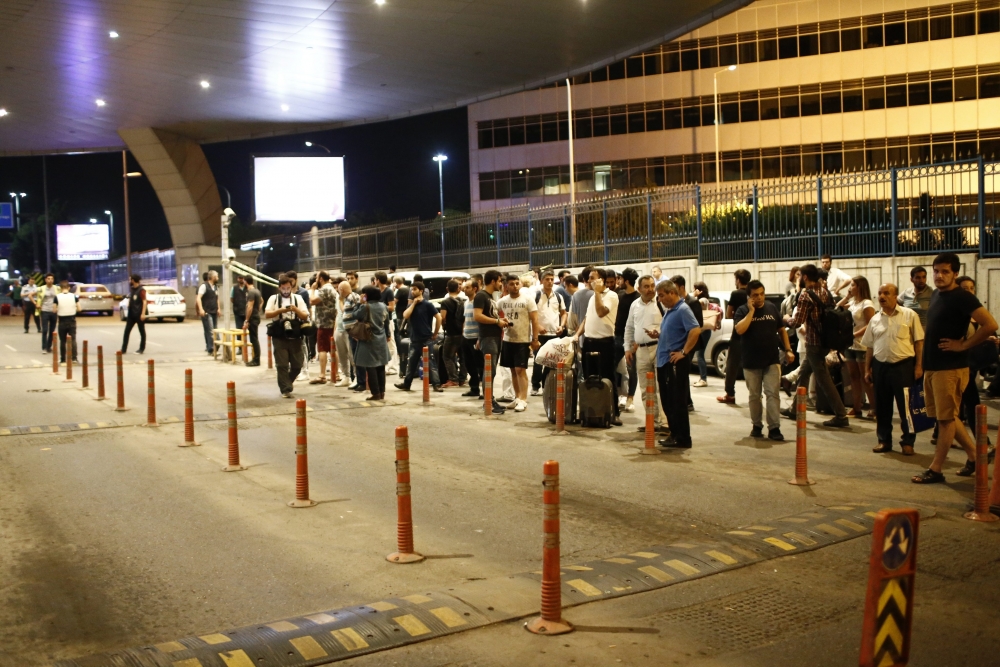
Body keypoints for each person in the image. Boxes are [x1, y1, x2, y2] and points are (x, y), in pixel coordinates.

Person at [912, 254, 997, 483]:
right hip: (934, 366)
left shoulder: (962, 297)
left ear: (955, 274)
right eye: (936, 271)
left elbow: (990, 325)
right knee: (947, 416)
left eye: (945, 272)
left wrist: (963, 345)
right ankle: (976, 455)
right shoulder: (939, 294)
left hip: (950, 367)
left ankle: (936, 469)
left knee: (946, 420)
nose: (939, 276)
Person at [862, 283, 923, 455]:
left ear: (895, 296)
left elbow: (919, 342)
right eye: (880, 293)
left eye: (886, 293)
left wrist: (919, 366)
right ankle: (884, 440)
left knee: (906, 408)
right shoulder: (874, 319)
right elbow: (869, 347)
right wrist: (867, 369)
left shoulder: (910, 315)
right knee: (882, 407)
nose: (882, 296)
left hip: (903, 366)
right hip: (880, 367)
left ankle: (908, 442)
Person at [787, 263, 851, 427]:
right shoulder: (825, 291)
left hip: (814, 342)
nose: (798, 278)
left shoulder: (805, 295)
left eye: (800, 276)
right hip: (825, 341)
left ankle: (841, 415)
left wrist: (787, 320)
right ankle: (795, 408)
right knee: (803, 373)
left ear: (805, 277)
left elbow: (798, 321)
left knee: (823, 379)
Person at [735, 280, 794, 441]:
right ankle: (756, 425)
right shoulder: (742, 310)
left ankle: (774, 428)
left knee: (772, 394)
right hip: (751, 362)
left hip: (771, 360)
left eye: (762, 294)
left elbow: (781, 330)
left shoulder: (771, 307)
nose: (759, 298)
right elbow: (740, 329)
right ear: (749, 297)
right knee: (754, 396)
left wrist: (788, 350)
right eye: (755, 295)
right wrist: (751, 312)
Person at [650, 279, 701, 448]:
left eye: (662, 295)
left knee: (676, 401)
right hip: (664, 361)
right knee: (668, 401)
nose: (660, 299)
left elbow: (695, 330)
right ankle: (675, 434)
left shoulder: (683, 309)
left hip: (673, 363)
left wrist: (684, 352)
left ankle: (682, 437)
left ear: (672, 293)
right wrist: (659, 335)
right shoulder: (671, 311)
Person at [574, 268, 622, 426]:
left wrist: (597, 293)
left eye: (593, 278)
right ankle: (591, 410)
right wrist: (577, 335)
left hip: (605, 342)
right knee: (589, 377)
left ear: (601, 280)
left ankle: (613, 412)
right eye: (588, 278)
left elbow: (601, 312)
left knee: (608, 377)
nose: (589, 281)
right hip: (589, 341)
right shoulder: (591, 297)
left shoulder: (611, 296)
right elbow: (587, 318)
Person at [624, 275, 668, 434]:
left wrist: (660, 333)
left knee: (660, 387)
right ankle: (652, 421)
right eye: (647, 286)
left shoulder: (661, 303)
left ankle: (665, 423)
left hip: (659, 349)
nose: (651, 289)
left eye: (652, 286)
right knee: (645, 388)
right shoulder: (634, 305)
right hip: (641, 351)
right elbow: (629, 328)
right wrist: (627, 348)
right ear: (639, 289)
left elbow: (669, 325)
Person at [498, 274, 541, 412]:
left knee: (520, 370)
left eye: (517, 283)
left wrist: (535, 339)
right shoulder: (503, 301)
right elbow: (493, 313)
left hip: (522, 340)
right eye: (512, 284)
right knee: (512, 370)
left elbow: (535, 320)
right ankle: (517, 398)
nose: (515, 286)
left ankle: (523, 399)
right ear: (507, 286)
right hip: (508, 339)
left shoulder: (528, 300)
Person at [837, 277, 876, 420]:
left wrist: (854, 335)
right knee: (853, 376)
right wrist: (847, 296)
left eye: (852, 285)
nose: (850, 287)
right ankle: (857, 406)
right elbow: (838, 308)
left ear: (860, 287)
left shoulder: (867, 303)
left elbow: (870, 323)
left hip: (863, 345)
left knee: (866, 377)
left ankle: (873, 407)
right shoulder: (853, 303)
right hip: (851, 345)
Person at [264, 275, 309, 398]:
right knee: (282, 364)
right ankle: (285, 389)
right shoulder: (273, 299)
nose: (286, 291)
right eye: (283, 288)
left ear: (291, 287)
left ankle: (286, 382)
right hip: (279, 336)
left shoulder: (298, 298)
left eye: (288, 288)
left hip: (295, 335)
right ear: (279, 288)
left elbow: (305, 316)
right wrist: (280, 311)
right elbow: (267, 313)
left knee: (297, 365)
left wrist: (295, 310)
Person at [396, 280, 443, 392]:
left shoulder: (428, 304)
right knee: (411, 363)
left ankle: (436, 384)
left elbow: (439, 318)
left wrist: (435, 333)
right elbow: (405, 315)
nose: (412, 291)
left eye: (415, 289)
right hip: (414, 339)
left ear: (421, 291)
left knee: (431, 363)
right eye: (412, 289)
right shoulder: (411, 305)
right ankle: (407, 384)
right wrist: (413, 304)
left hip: (426, 339)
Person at [473, 270, 509, 414]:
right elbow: (477, 316)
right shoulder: (481, 296)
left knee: (491, 371)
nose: (501, 284)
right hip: (488, 338)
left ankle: (490, 399)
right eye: (499, 281)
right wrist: (497, 321)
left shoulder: (489, 297)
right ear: (493, 281)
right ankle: (487, 402)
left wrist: (501, 321)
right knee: (489, 371)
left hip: (493, 337)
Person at [531, 270, 568, 396]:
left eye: (552, 279)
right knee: (538, 361)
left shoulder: (558, 296)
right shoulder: (535, 296)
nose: (550, 282)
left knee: (551, 362)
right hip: (540, 335)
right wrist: (538, 326)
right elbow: (531, 316)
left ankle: (546, 384)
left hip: (554, 335)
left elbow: (564, 313)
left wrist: (562, 326)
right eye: (547, 279)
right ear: (541, 281)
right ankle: (535, 386)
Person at [718, 269, 750, 404]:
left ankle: (730, 394)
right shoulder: (751, 293)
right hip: (751, 333)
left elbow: (729, 313)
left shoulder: (736, 294)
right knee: (752, 365)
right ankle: (756, 394)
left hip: (738, 333)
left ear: (737, 280)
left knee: (732, 364)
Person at [354, 285, 391, 400]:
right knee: (380, 366)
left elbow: (355, 315)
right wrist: (388, 334)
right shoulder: (383, 305)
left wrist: (360, 303)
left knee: (371, 367)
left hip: (369, 339)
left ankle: (375, 393)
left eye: (364, 294)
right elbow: (387, 322)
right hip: (381, 338)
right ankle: (382, 392)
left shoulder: (366, 307)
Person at [671, 275, 702, 412]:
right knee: (680, 374)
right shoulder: (674, 303)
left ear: (681, 287)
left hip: (688, 344)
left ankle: (687, 403)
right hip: (677, 343)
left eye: (674, 287)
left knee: (682, 373)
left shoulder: (692, 302)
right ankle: (685, 401)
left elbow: (698, 325)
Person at [612, 269, 640, 411]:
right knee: (614, 368)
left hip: (631, 340)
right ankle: (616, 396)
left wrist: (635, 342)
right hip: (617, 336)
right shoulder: (619, 295)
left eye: (621, 279)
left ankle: (630, 398)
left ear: (626, 281)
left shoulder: (638, 298)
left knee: (631, 369)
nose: (619, 282)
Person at [309, 271, 338, 384]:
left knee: (322, 349)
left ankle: (322, 375)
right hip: (332, 323)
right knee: (333, 349)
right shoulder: (331, 288)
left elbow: (312, 301)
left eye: (317, 278)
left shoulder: (324, 289)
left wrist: (312, 289)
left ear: (320, 278)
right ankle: (336, 374)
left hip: (324, 323)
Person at [692, 281, 720, 387]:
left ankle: (703, 379)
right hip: (701, 330)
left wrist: (694, 297)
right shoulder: (702, 299)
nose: (693, 291)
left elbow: (697, 304)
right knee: (699, 354)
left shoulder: (702, 299)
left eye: (695, 289)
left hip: (703, 331)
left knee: (700, 355)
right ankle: (702, 378)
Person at [439, 279, 466, 388]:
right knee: (463, 357)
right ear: (458, 289)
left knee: (447, 356)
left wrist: (443, 325)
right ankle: (462, 378)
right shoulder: (464, 301)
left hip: (451, 333)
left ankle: (453, 379)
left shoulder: (445, 302)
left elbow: (443, 317)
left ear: (447, 289)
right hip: (463, 333)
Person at [461, 279, 483, 397]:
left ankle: (486, 391)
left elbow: (481, 322)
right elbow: (466, 319)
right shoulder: (466, 303)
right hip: (466, 337)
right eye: (465, 287)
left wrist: (480, 338)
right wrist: (463, 333)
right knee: (469, 364)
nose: (465, 289)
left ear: (475, 289)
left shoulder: (478, 302)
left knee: (481, 365)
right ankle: (474, 388)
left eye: (467, 287)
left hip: (476, 337)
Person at [335, 280, 359, 387]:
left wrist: (340, 301)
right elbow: (338, 314)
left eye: (339, 289)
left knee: (352, 355)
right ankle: (346, 376)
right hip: (339, 329)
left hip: (350, 331)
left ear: (341, 290)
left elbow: (344, 311)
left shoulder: (353, 297)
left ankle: (356, 377)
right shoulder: (340, 298)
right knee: (342, 355)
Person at [121, 274, 148, 354]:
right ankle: (123, 349)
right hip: (131, 314)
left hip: (139, 314)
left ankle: (141, 349)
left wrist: (143, 314)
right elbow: (131, 299)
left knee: (142, 332)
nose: (129, 281)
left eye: (130, 280)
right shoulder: (132, 289)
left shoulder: (141, 290)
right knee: (126, 331)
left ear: (133, 280)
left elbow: (144, 302)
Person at [55, 279, 80, 363]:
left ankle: (63, 359)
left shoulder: (57, 297)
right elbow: (80, 308)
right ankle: (74, 358)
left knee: (62, 341)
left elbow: (54, 310)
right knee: (73, 339)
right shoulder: (74, 296)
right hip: (72, 320)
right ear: (69, 287)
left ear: (60, 288)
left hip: (62, 320)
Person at [196, 270, 219, 355]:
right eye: (217, 276)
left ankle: (214, 347)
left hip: (214, 311)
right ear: (212, 277)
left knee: (215, 330)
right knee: (210, 331)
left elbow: (217, 298)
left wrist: (219, 308)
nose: (218, 278)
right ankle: (211, 349)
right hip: (207, 312)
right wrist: (201, 309)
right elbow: (198, 298)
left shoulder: (216, 287)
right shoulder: (204, 286)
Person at [568, 266, 594, 333]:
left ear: (584, 280)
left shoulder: (577, 295)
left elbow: (572, 318)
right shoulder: (601, 294)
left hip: (581, 334)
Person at [243, 275, 263, 366]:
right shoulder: (257, 291)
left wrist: (246, 320)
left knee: (254, 339)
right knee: (254, 338)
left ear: (245, 282)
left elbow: (250, 307)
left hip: (253, 318)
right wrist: (258, 309)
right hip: (256, 316)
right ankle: (256, 358)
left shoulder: (251, 292)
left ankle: (256, 360)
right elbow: (262, 301)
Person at [36, 273, 58, 352]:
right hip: (44, 310)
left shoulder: (57, 288)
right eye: (48, 279)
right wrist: (37, 304)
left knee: (52, 330)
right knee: (45, 330)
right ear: (45, 280)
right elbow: (37, 297)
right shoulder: (41, 288)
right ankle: (44, 347)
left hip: (53, 311)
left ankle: (49, 347)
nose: (50, 280)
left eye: (51, 279)